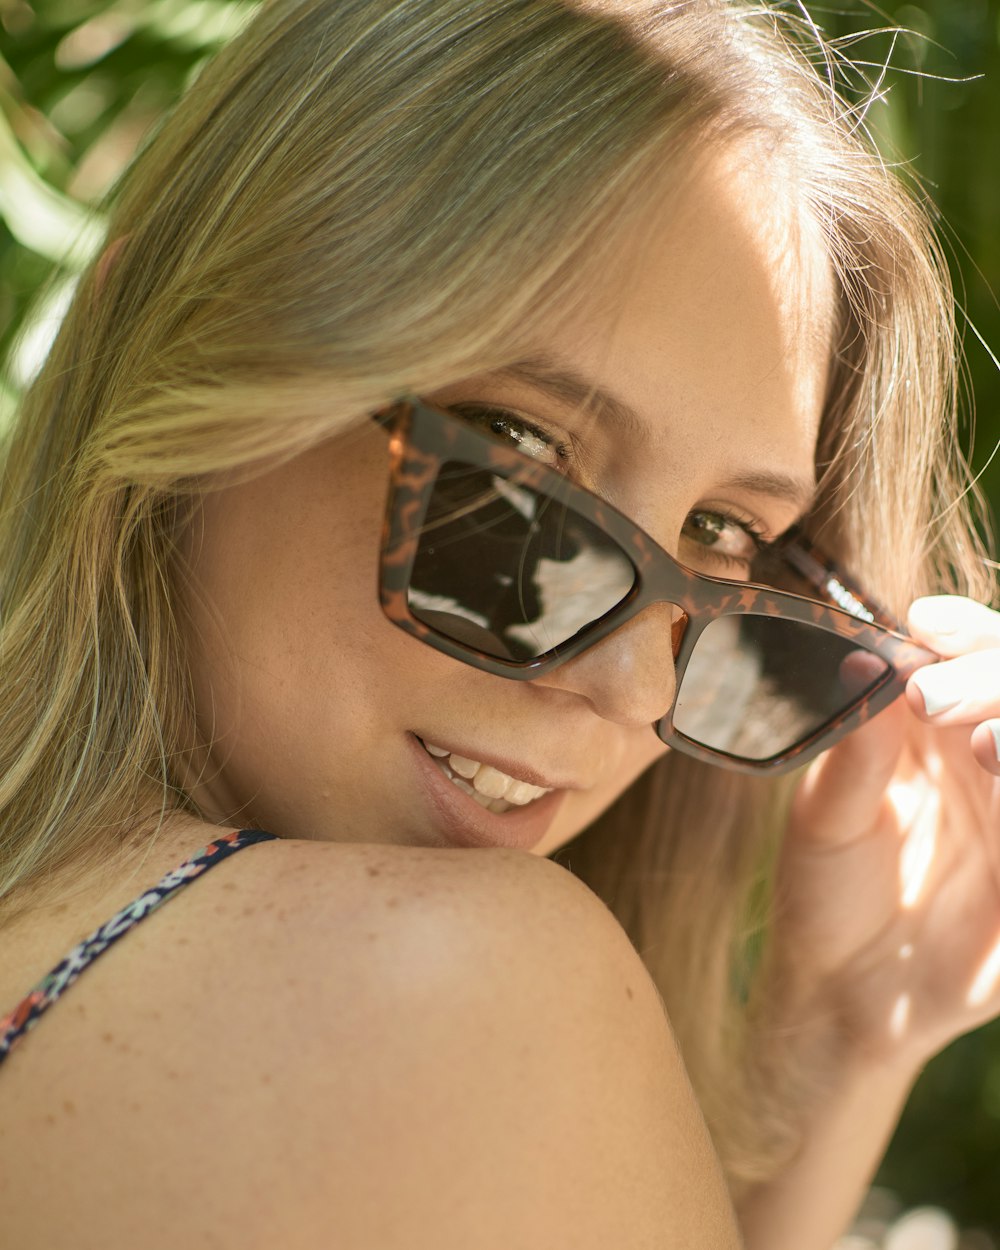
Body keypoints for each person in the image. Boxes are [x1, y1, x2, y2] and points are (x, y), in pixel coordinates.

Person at [0, 0, 997, 1245]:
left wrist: (849, 1032)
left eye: (723, 535)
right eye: (525, 459)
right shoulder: (467, 981)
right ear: (165, 346)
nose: (635, 684)